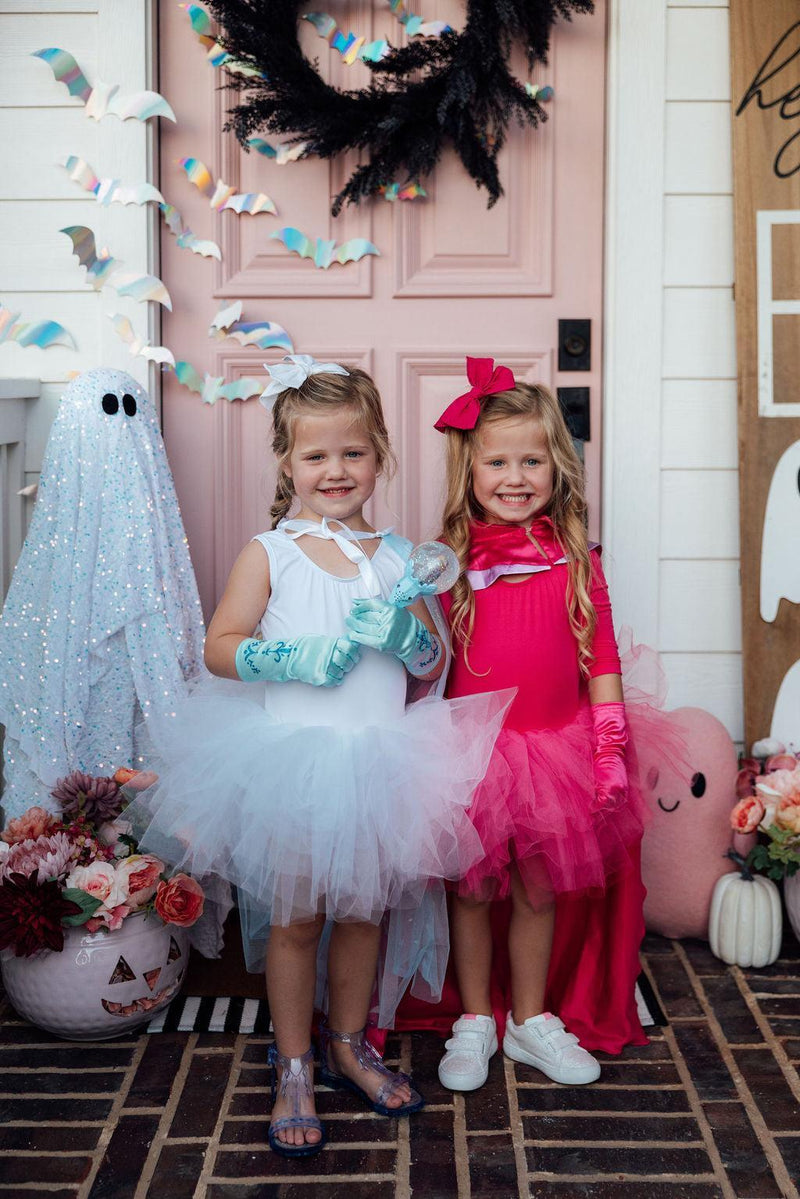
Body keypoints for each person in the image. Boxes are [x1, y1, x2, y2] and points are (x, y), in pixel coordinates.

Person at [127, 355, 506, 1157]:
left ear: (380, 456)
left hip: (380, 762)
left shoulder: (404, 557)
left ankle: (347, 1041)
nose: (336, 470)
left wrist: (410, 639)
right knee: (296, 918)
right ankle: (293, 1059)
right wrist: (288, 659)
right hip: (294, 765)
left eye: (353, 452)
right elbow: (220, 647)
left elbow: (433, 663)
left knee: (364, 911)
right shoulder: (274, 551)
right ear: (287, 461)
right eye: (316, 455)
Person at [427, 357, 649, 1093]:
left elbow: (604, 654)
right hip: (473, 753)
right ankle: (474, 1021)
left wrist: (610, 744)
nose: (515, 476)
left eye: (532, 460)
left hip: (558, 750)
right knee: (469, 889)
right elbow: (427, 659)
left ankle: (528, 1018)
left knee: (539, 887)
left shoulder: (576, 561)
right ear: (470, 468)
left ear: (558, 466)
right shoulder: (451, 563)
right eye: (497, 461)